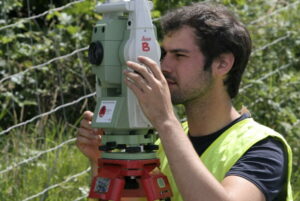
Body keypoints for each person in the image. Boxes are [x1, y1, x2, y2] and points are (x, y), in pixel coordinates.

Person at [77, 2, 293, 201]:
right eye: (164, 54)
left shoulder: (263, 147)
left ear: (222, 64)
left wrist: (165, 119)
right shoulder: (159, 145)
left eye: (179, 56)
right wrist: (102, 162)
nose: (164, 66)